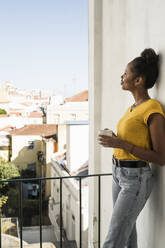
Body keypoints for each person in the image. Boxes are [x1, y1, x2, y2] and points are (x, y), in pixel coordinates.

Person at [98, 48, 165, 248]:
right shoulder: (132, 109)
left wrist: (121, 143)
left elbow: (161, 157)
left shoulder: (152, 108)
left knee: (113, 238)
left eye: (126, 73)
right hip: (118, 173)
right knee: (126, 237)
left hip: (135, 179)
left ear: (138, 80)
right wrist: (115, 140)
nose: (122, 76)